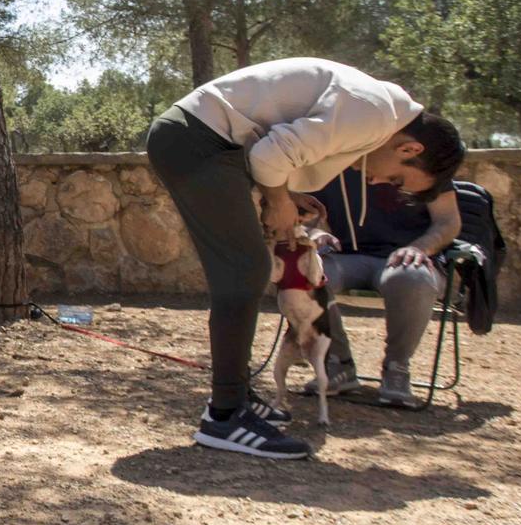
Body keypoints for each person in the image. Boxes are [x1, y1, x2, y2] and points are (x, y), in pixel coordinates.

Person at [144, 57, 465, 459]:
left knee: (246, 269)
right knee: (244, 270)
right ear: (409, 148)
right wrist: (277, 200)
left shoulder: (377, 107)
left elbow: (271, 144)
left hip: (206, 141)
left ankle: (237, 398)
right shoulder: (373, 113)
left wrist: (286, 195)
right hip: (198, 142)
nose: (382, 183)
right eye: (398, 178)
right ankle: (225, 416)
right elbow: (266, 156)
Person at [299, 167, 461, 409]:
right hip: (348, 257)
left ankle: (397, 367)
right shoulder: (327, 161)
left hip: (409, 258)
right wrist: (315, 232)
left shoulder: (419, 157)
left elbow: (448, 221)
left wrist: (420, 248)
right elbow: (307, 220)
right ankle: (337, 364)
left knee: (411, 277)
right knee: (303, 273)